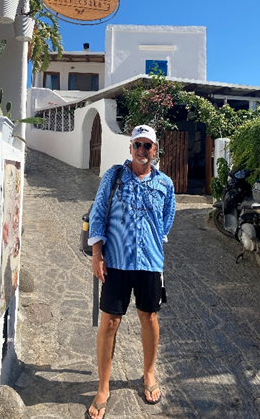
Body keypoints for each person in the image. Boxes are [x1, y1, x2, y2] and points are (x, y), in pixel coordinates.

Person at [86, 124, 176, 419]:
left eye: (147, 145)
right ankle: (103, 387)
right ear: (130, 148)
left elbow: (167, 220)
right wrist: (97, 254)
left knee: (148, 317)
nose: (142, 150)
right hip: (116, 262)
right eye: (137, 144)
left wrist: (151, 239)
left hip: (150, 262)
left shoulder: (165, 184)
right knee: (109, 322)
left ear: (155, 150)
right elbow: (98, 214)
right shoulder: (113, 177)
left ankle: (148, 373)